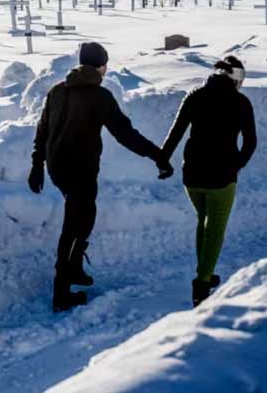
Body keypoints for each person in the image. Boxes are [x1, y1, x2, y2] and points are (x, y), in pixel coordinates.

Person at [29, 42, 172, 313]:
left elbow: (42, 129)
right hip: (79, 168)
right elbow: (125, 134)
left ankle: (74, 267)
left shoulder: (57, 90)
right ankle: (62, 291)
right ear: (101, 66)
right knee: (74, 222)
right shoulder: (99, 96)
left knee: (86, 213)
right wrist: (158, 155)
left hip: (58, 167)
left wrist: (38, 165)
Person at [160, 55, 257, 307]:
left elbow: (175, 133)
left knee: (203, 222)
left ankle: (206, 270)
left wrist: (163, 161)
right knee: (214, 228)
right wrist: (236, 165)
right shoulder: (241, 102)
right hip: (222, 177)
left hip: (191, 175)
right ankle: (202, 284)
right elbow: (250, 142)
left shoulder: (194, 96)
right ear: (236, 79)